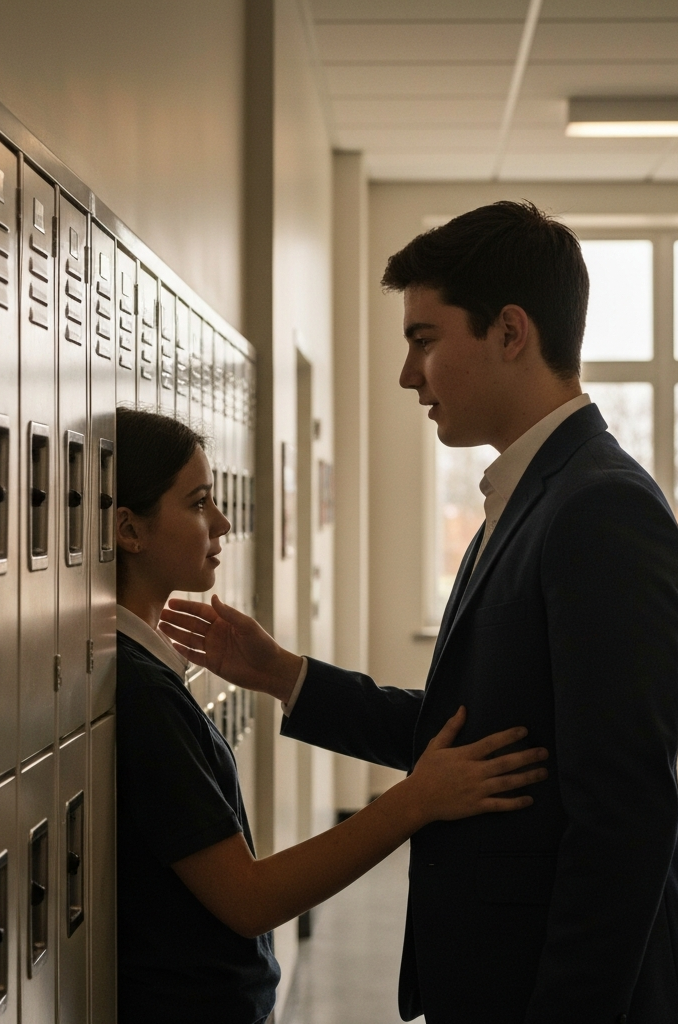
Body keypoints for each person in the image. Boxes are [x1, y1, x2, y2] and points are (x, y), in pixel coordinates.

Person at [160, 202, 678, 1024]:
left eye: (423, 339)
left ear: (510, 332)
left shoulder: (600, 510)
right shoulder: (531, 499)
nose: (408, 375)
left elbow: (624, 822)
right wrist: (283, 676)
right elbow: (470, 736)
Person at [114, 406, 550, 1024]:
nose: (223, 521)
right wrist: (415, 801)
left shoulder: (144, 670)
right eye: (198, 503)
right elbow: (248, 898)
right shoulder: (141, 692)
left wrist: (280, 673)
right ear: (130, 531)